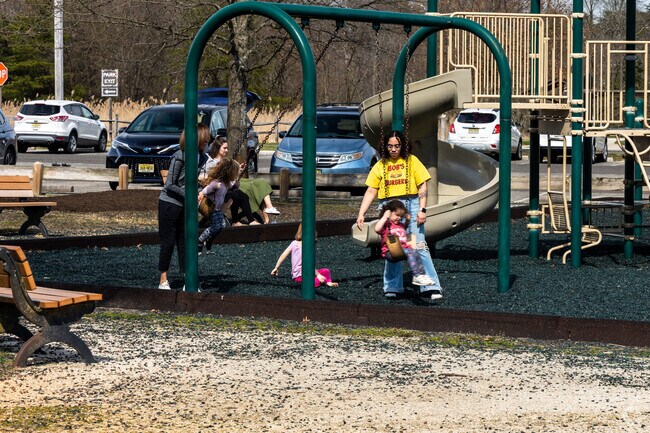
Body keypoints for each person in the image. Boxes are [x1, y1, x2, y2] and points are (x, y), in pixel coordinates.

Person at [356, 130, 443, 300]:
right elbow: (371, 190)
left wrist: (422, 209)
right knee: (392, 246)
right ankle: (393, 286)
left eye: (397, 145)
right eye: (390, 146)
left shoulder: (412, 161)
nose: (393, 149)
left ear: (402, 145)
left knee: (418, 244)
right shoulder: (381, 165)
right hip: (390, 205)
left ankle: (430, 285)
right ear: (385, 147)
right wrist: (361, 213)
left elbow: (422, 186)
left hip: (411, 204)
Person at [158, 123, 210, 290]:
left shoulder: (201, 157)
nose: (207, 142)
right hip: (169, 203)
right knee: (168, 242)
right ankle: (163, 279)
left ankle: (189, 278)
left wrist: (201, 191)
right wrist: (189, 194)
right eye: (205, 139)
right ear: (198, 139)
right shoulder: (180, 156)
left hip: (185, 205)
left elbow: (194, 181)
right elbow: (170, 184)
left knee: (184, 242)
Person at [205, 135, 280, 224]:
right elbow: (218, 179)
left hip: (227, 186)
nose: (227, 150)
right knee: (239, 194)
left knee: (243, 194)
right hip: (219, 190)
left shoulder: (226, 161)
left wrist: (238, 169)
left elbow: (230, 177)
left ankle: (251, 218)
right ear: (217, 148)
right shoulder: (213, 163)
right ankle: (244, 220)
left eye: (227, 148)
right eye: (224, 148)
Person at [374, 199, 436, 287]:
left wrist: (407, 221)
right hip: (390, 252)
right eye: (397, 215)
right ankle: (418, 275)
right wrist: (384, 217)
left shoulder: (400, 225)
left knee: (415, 252)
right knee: (411, 251)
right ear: (389, 213)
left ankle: (420, 275)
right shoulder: (386, 225)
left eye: (401, 216)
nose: (399, 218)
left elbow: (403, 232)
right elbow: (377, 229)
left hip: (403, 251)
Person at [271, 223, 339, 288]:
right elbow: (308, 264)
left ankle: (328, 282)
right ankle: (323, 281)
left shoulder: (294, 243)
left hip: (303, 274)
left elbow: (283, 255)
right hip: (300, 276)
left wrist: (276, 267)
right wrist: (318, 275)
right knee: (313, 282)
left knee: (326, 271)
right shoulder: (307, 246)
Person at [197, 157, 241, 254]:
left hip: (217, 209)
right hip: (210, 207)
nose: (235, 175)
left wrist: (237, 183)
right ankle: (200, 241)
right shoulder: (217, 183)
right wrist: (202, 194)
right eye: (235, 173)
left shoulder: (226, 183)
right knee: (216, 226)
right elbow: (206, 190)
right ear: (229, 172)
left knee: (222, 225)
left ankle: (209, 240)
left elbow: (232, 187)